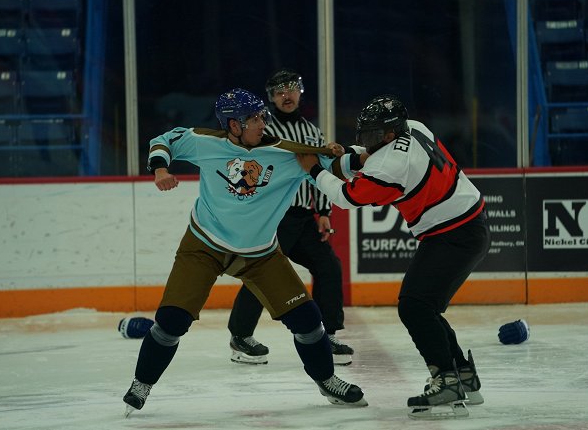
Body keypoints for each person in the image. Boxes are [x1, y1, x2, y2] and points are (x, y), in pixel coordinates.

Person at [122, 88, 368, 417]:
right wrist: (160, 170)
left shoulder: (288, 153)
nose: (262, 123)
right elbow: (162, 140)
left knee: (309, 322)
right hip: (203, 246)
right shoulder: (206, 142)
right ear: (233, 125)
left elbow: (342, 163)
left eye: (262, 116)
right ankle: (142, 383)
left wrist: (371, 152)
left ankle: (327, 379)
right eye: (254, 118)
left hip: (260, 254)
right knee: (171, 322)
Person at [296, 94, 490, 420]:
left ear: (388, 135)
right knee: (423, 305)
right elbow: (367, 159)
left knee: (414, 306)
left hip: (454, 234)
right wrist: (343, 154)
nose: (366, 141)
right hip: (467, 226)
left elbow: (345, 196)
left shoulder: (391, 167)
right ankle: (462, 375)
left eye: (372, 135)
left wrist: (313, 168)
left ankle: (447, 380)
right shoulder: (414, 127)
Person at [227, 69, 353, 366]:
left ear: (300, 92)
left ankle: (327, 334)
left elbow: (319, 172)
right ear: (270, 98)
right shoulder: (262, 130)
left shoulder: (312, 132)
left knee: (328, 266)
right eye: (279, 91)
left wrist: (322, 212)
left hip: (302, 216)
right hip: (273, 216)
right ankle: (240, 336)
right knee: (262, 271)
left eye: (292, 89)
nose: (287, 95)